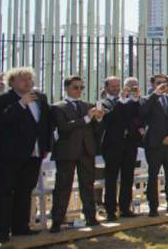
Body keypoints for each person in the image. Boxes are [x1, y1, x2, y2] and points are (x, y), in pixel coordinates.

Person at [0, 67, 54, 243]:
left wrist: (46, 146)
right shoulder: (2, 100)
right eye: (23, 79)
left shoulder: (40, 98)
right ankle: (2, 230)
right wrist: (20, 104)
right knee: (4, 192)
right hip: (9, 156)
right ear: (12, 83)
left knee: (25, 191)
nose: (28, 82)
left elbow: (46, 123)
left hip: (34, 154)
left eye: (30, 79)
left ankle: (21, 227)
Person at [50, 75, 104, 232]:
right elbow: (64, 127)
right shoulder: (57, 107)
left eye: (81, 87)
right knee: (63, 186)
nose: (79, 90)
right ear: (66, 88)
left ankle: (91, 217)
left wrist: (98, 119)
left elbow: (95, 130)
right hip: (67, 152)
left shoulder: (88, 105)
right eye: (75, 87)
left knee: (87, 185)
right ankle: (57, 221)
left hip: (86, 150)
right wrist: (87, 118)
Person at [140, 73, 168, 216]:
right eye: (159, 83)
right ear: (152, 84)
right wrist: (155, 95)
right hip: (154, 143)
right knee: (153, 175)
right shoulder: (147, 100)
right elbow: (142, 114)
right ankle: (153, 207)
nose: (162, 85)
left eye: (164, 82)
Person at [98, 76, 142, 221]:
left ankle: (125, 208)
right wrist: (122, 101)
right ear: (106, 88)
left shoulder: (126, 101)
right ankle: (110, 210)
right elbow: (110, 118)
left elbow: (136, 116)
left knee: (128, 177)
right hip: (112, 146)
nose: (116, 89)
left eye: (118, 86)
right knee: (111, 179)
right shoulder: (103, 103)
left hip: (129, 144)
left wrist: (135, 99)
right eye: (113, 86)